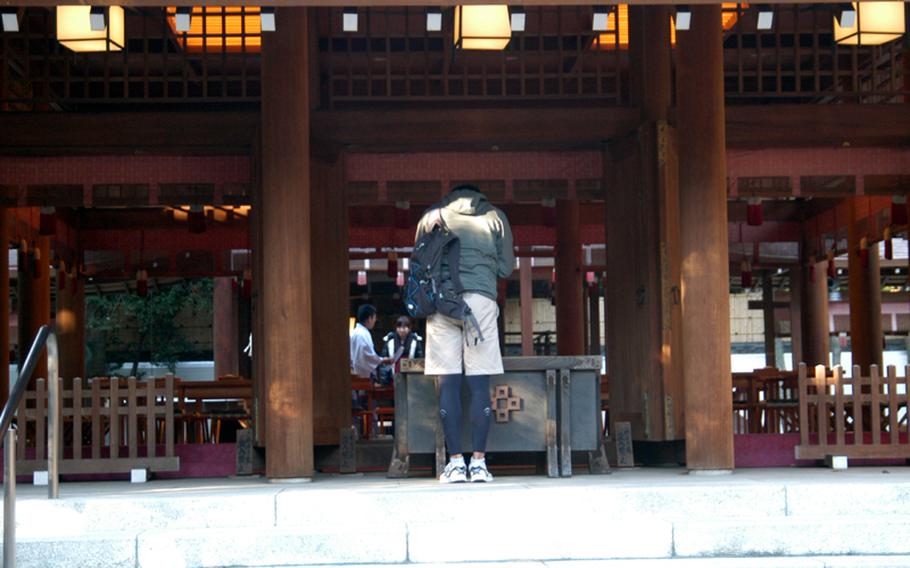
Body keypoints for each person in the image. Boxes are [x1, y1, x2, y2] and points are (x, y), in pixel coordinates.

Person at [415, 184, 514, 483]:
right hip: (480, 303)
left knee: (448, 382)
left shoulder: (432, 216)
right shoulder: (495, 217)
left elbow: (420, 259)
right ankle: (480, 464)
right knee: (479, 383)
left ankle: (456, 462)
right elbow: (507, 267)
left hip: (443, 302)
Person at [350, 303, 392, 382]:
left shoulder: (356, 332)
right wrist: (382, 360)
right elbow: (367, 356)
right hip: (361, 376)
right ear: (369, 318)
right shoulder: (361, 334)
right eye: (374, 318)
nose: (375, 321)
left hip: (357, 373)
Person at [378, 315, 423, 385]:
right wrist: (384, 381)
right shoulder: (390, 340)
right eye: (399, 327)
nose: (402, 330)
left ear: (409, 328)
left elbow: (419, 362)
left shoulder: (415, 341)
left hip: (410, 379)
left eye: (404, 327)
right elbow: (384, 362)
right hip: (392, 377)